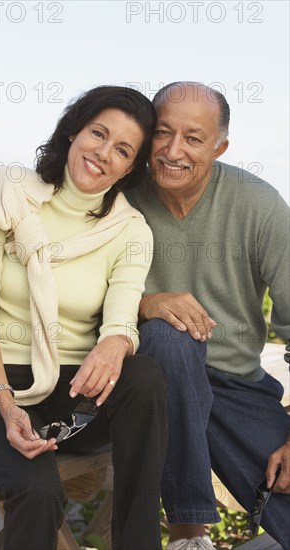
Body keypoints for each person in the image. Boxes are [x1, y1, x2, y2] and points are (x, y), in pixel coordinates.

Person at [0, 85, 168, 550]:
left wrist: (116, 343)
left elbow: (121, 323)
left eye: (122, 150)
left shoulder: (130, 231)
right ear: (73, 129)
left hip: (71, 397)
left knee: (144, 376)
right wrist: (5, 402)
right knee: (39, 491)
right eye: (98, 134)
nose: (103, 153)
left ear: (131, 168)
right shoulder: (8, 193)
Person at [125, 81, 290, 550]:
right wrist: (145, 304)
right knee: (169, 336)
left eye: (194, 138)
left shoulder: (259, 205)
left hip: (233, 383)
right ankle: (189, 534)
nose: (174, 150)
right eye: (162, 132)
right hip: (142, 380)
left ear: (220, 147)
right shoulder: (120, 195)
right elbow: (70, 293)